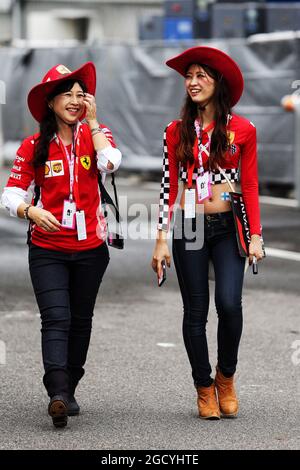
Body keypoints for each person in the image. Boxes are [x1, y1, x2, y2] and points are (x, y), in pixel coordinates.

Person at [1, 62, 122, 428]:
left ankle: (68, 388)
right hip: (47, 248)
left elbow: (111, 163)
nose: (74, 101)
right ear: (50, 103)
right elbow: (10, 194)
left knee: (81, 320)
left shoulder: (96, 136)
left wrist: (96, 124)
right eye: (65, 95)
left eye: (79, 95)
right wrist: (30, 210)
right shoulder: (34, 145)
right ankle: (56, 391)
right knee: (56, 317)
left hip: (90, 249)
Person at [152, 47, 264, 420]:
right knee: (195, 311)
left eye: (202, 75)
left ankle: (226, 378)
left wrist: (256, 236)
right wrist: (161, 238)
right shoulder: (175, 130)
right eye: (189, 76)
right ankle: (204, 388)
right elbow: (169, 187)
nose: (193, 82)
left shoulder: (243, 130)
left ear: (219, 83)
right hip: (190, 226)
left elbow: (248, 185)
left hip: (229, 225)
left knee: (230, 304)